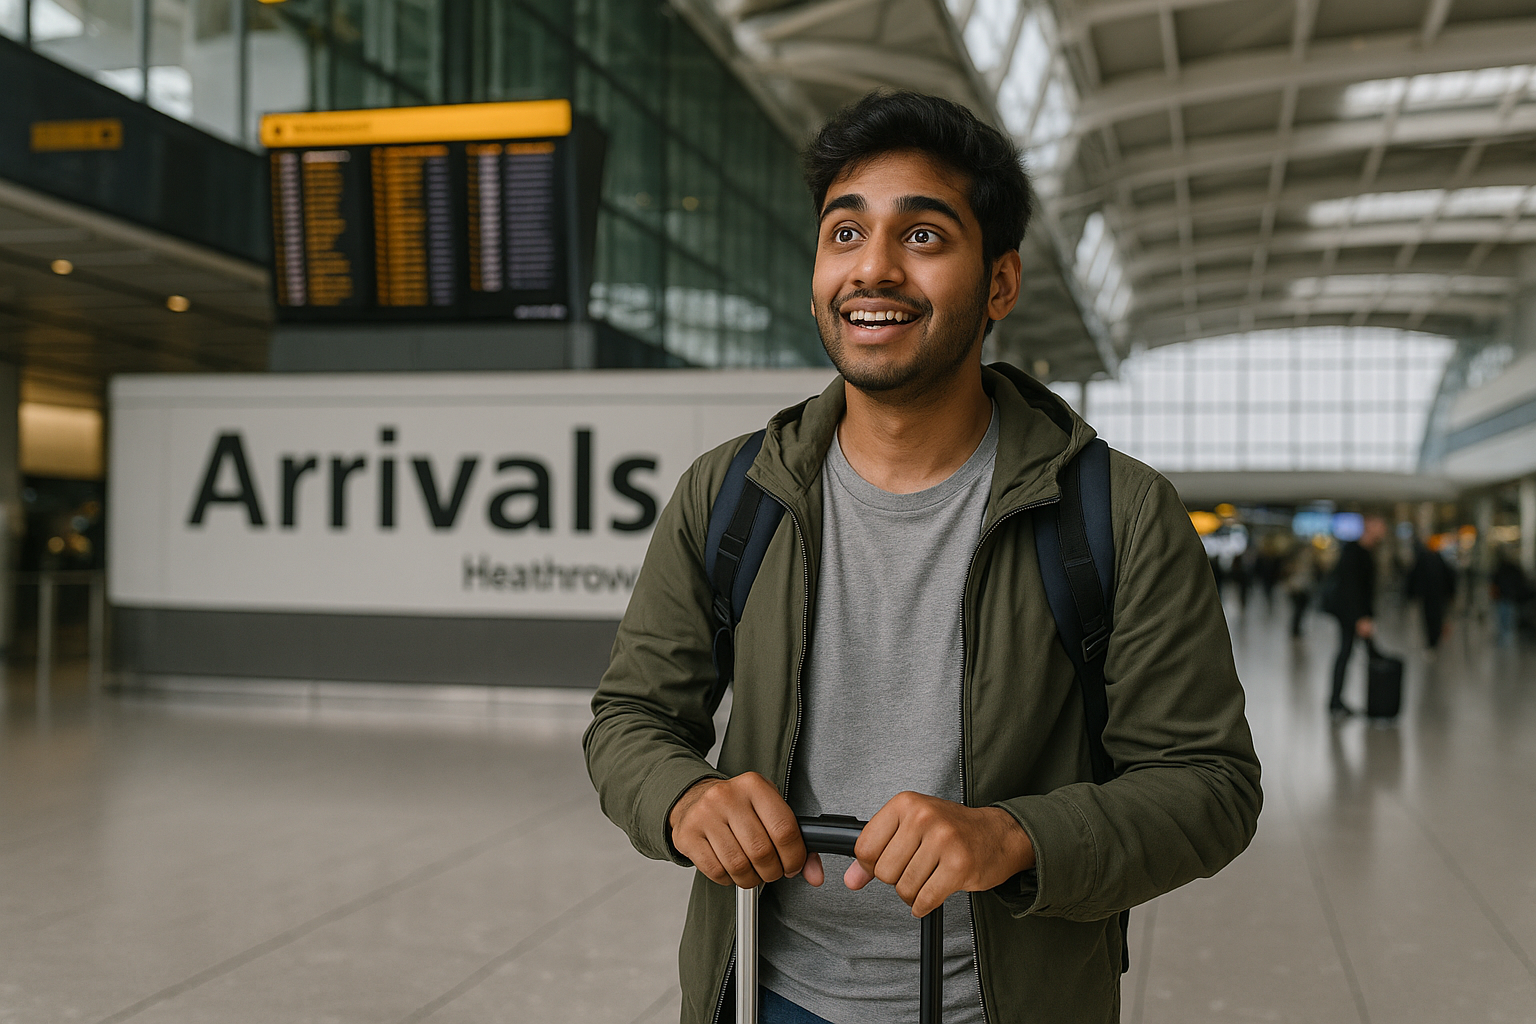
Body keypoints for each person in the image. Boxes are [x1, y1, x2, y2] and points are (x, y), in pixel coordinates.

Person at [584, 91, 1262, 1024]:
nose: (873, 268)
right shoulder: (732, 492)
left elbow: (1209, 786)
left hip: (1004, 1003)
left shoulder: (1118, 512)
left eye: (924, 236)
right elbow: (630, 717)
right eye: (845, 233)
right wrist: (683, 797)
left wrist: (1014, 835)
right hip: (767, 992)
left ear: (1001, 284)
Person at [1325, 514, 1387, 716]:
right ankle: (1335, 702)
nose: (1383, 529)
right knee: (1345, 653)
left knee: (1363, 653)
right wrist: (1360, 618)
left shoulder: (1365, 551)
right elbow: (1350, 588)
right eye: (1379, 524)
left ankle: (1376, 701)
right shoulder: (1353, 552)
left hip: (1357, 614)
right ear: (1369, 525)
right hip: (1350, 615)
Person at [1404, 539, 1456, 651]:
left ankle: (1432, 641)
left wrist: (1410, 594)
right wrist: (1451, 593)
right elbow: (1450, 577)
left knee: (1429, 618)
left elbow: (1412, 577)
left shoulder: (1423, 559)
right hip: (1437, 595)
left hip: (1428, 596)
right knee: (1436, 617)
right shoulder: (1439, 559)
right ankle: (1434, 640)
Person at [1491, 549, 1529, 647]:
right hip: (1509, 598)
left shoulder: (1501, 569)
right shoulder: (1513, 569)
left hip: (1505, 598)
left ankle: (1505, 640)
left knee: (1504, 620)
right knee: (1508, 620)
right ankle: (1506, 640)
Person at [1283, 542, 1317, 638]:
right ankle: (1295, 629)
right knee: (1297, 610)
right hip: (1296, 588)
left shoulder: (1309, 561)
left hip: (1303, 588)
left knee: (1300, 610)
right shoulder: (1295, 561)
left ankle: (1296, 628)